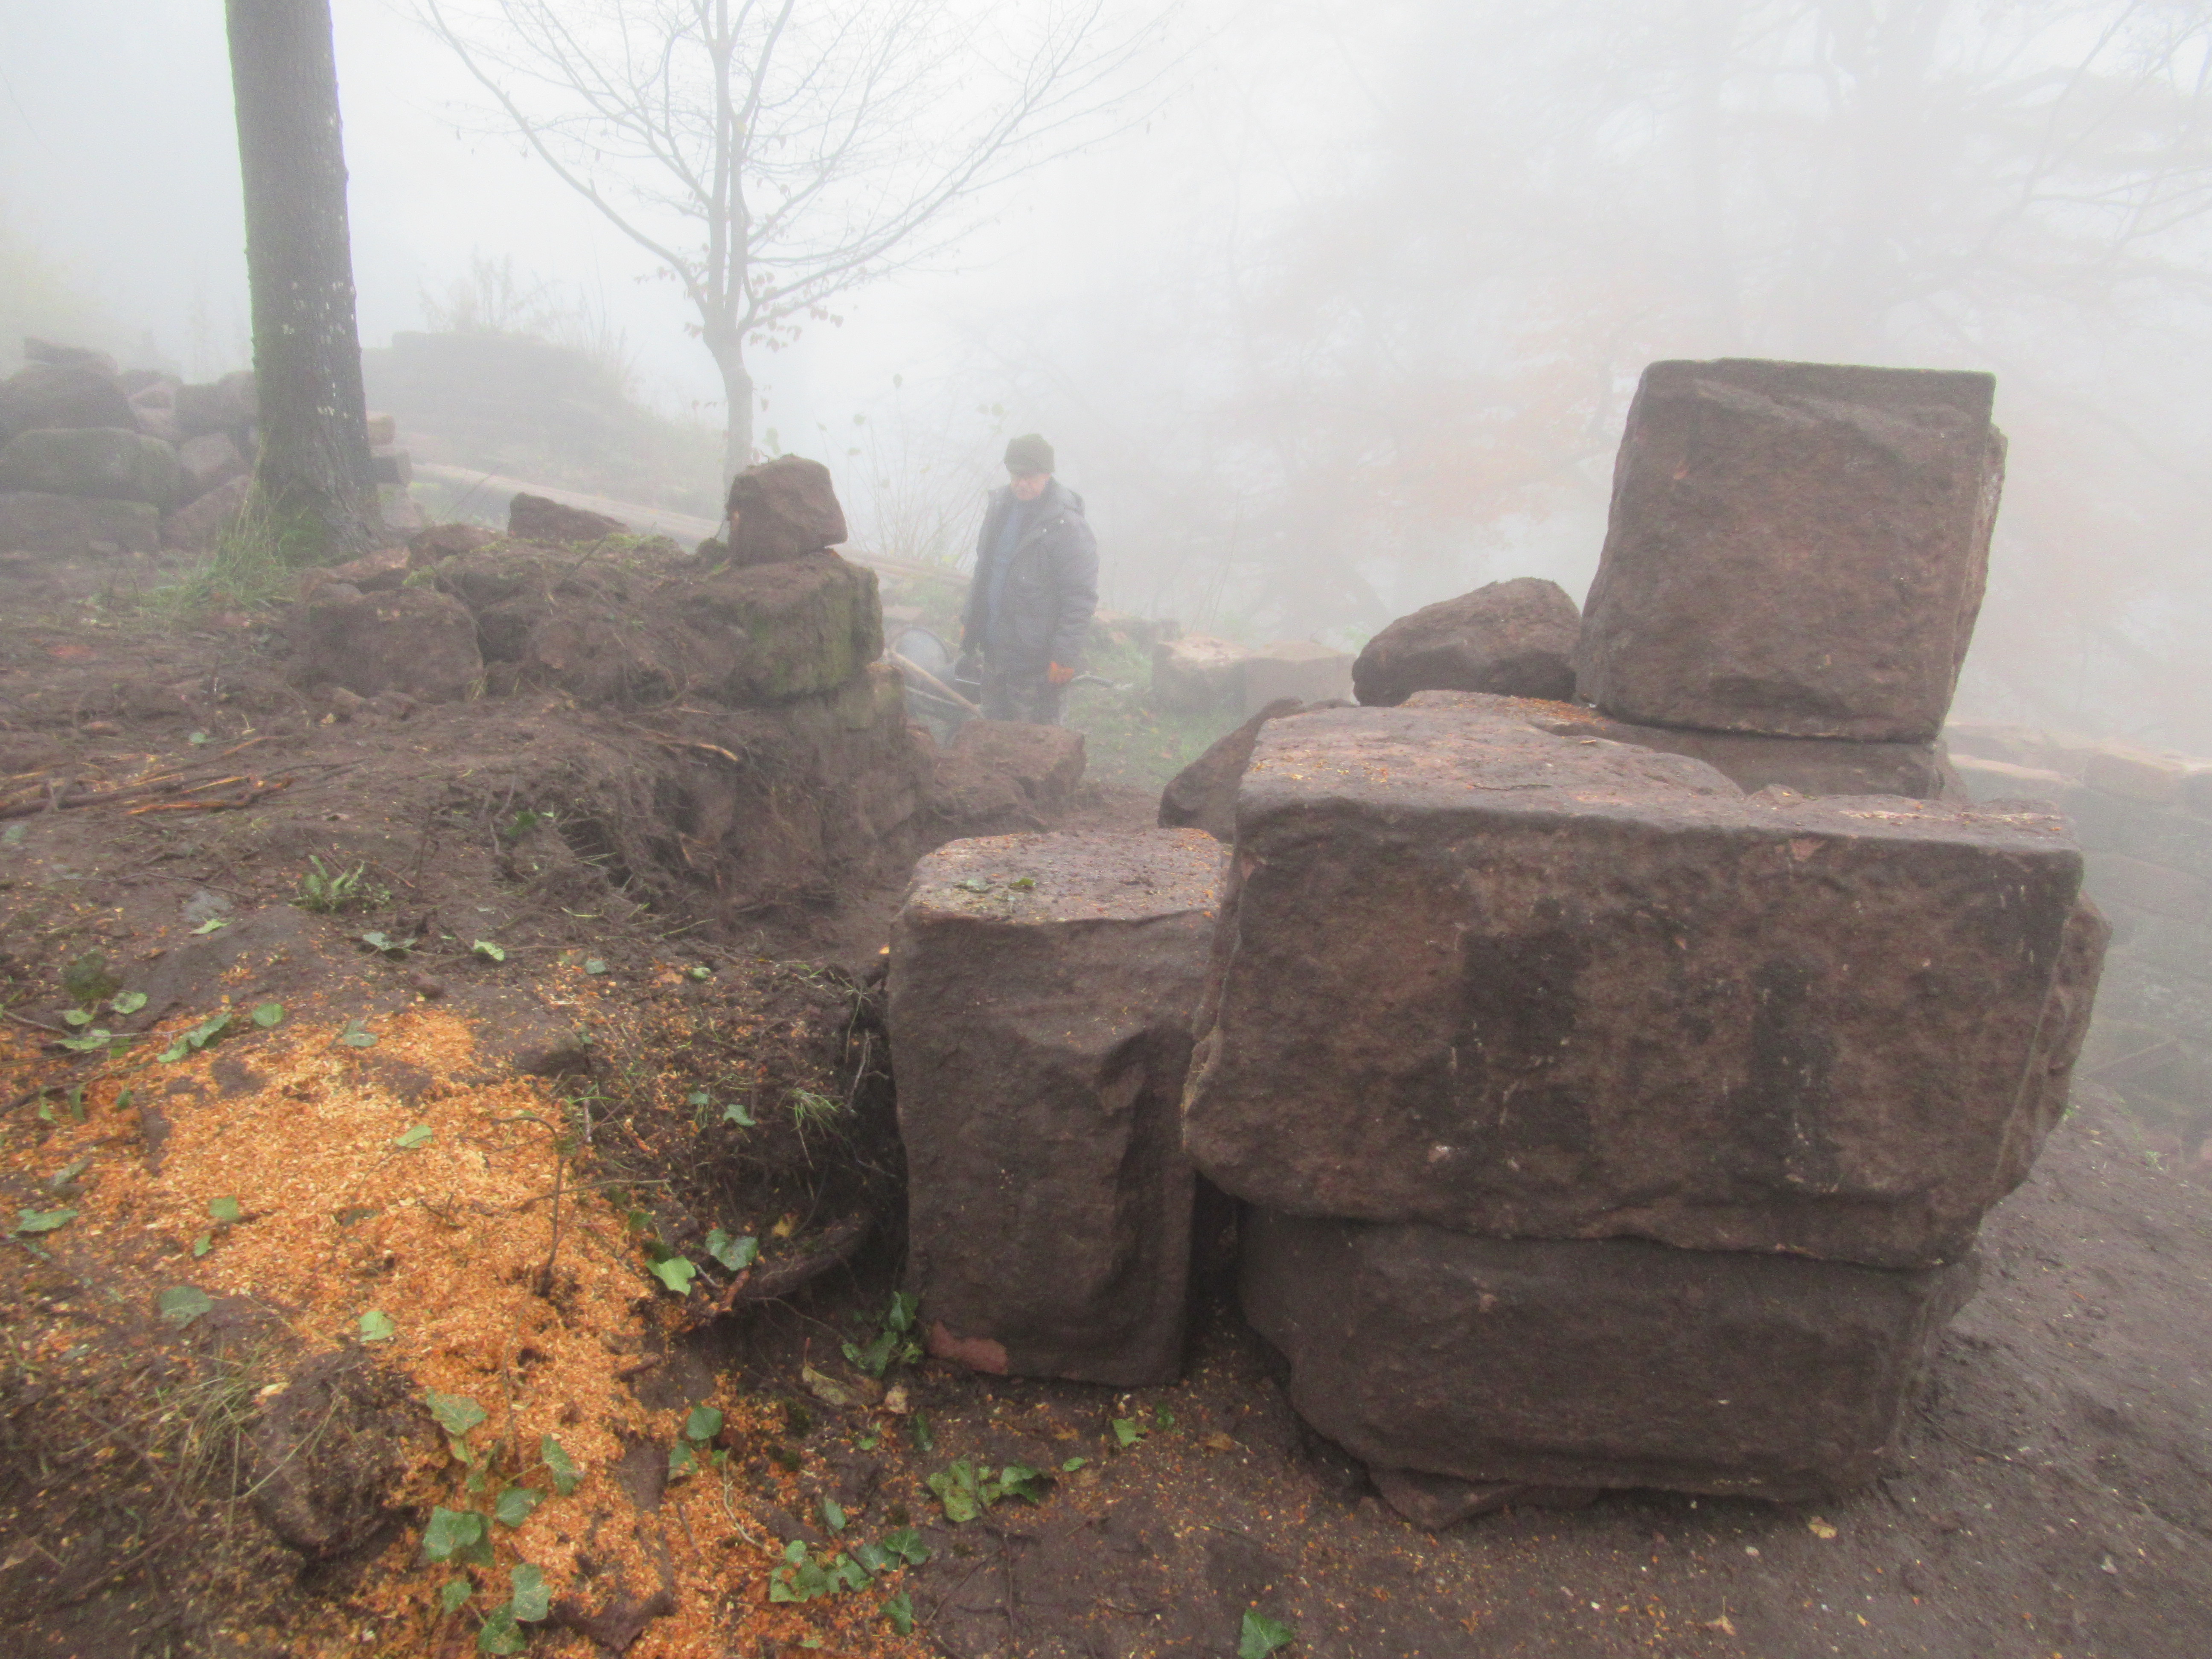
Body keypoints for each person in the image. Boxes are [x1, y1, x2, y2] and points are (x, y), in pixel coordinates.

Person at [960, 433, 1098, 725]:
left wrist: (1065, 655)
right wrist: (970, 620)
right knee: (992, 730)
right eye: (1015, 475)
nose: (1021, 483)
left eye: (1029, 477)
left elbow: (1080, 597)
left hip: (1036, 662)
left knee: (1035, 739)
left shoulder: (1067, 526)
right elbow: (985, 570)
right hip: (996, 651)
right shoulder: (1000, 508)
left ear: (1047, 474)